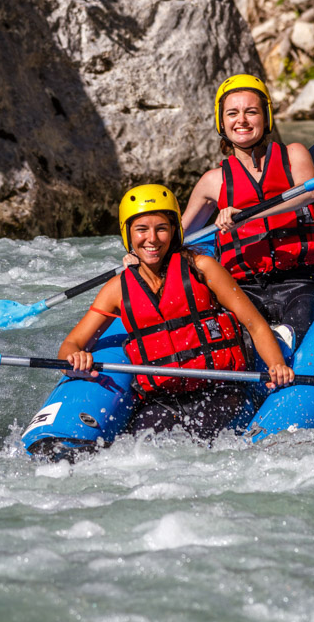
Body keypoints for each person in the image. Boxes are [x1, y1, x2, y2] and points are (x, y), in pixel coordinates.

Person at [58, 184, 294, 440]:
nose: (152, 239)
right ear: (128, 235)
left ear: (174, 231)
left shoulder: (203, 268)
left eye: (161, 228)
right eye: (141, 230)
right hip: (162, 401)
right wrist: (75, 361)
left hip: (221, 391)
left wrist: (277, 365)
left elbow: (255, 324)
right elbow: (72, 344)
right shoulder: (116, 290)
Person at [182, 73, 314, 348]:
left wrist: (246, 215)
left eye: (251, 112)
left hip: (299, 281)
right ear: (221, 122)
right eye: (233, 113)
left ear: (266, 118)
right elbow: (180, 236)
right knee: (238, 347)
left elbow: (309, 194)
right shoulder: (212, 181)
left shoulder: (294, 155)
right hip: (243, 289)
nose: (242, 120)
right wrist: (137, 254)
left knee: (303, 329)